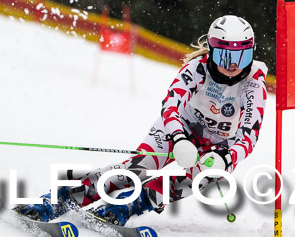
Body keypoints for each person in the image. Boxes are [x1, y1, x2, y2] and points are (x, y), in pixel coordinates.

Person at [15, 15, 268, 225]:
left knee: (200, 177)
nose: (233, 66)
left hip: (217, 147)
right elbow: (170, 105)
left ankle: (128, 206)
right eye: (225, 56)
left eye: (241, 57)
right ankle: (63, 198)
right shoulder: (197, 69)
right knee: (138, 168)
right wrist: (179, 138)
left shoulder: (254, 85)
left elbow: (249, 135)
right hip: (178, 129)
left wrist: (227, 158)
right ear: (212, 52)